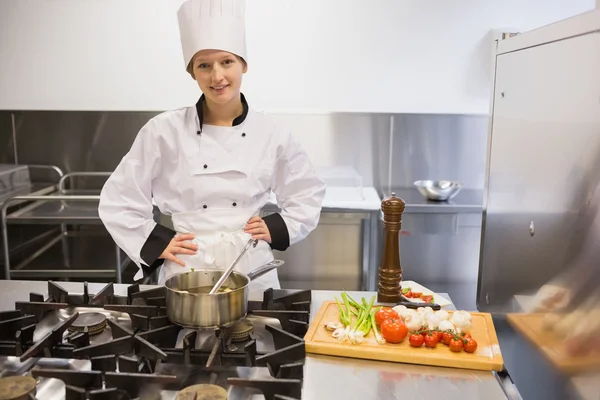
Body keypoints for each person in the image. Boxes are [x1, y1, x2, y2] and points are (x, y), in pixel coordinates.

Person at [98, 0, 326, 299]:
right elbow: (118, 199)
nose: (217, 76)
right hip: (187, 265)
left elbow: (306, 192)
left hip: (250, 260)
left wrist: (279, 226)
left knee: (256, 336)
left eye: (227, 62)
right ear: (193, 72)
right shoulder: (162, 131)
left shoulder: (272, 133)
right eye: (204, 65)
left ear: (243, 64)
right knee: (186, 340)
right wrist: (156, 241)